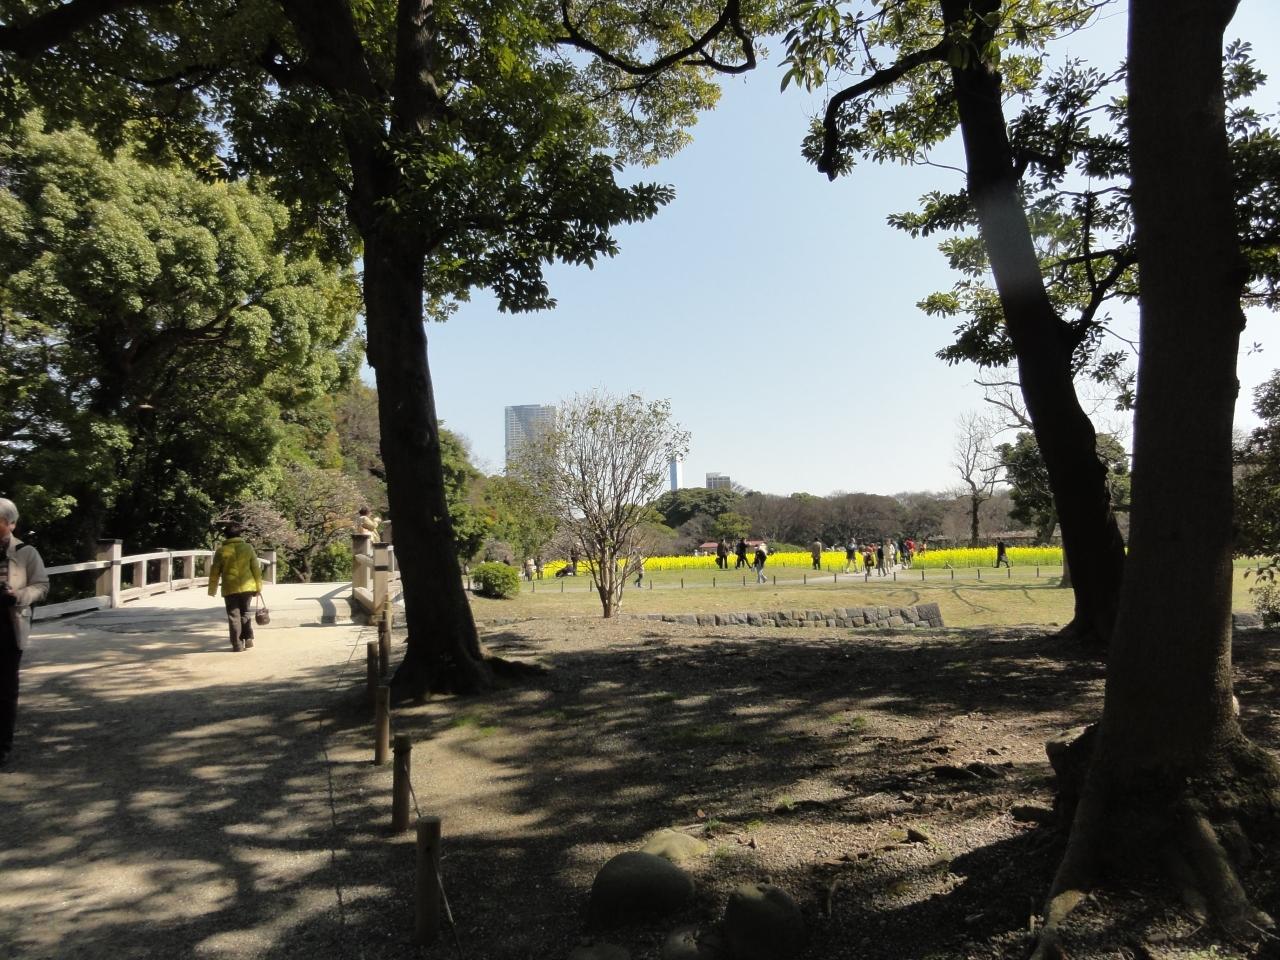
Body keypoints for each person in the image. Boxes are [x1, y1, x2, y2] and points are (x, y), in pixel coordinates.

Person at [0, 499, 48, 768]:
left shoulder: (26, 553)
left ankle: (2, 746)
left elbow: (41, 586)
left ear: (11, 524)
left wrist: (17, 596)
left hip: (8, 626)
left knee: (5, 689)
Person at [208, 522, 264, 652]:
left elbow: (215, 572)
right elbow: (255, 568)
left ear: (226, 535)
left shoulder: (221, 551)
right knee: (245, 613)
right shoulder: (248, 548)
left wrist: (212, 589)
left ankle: (237, 644)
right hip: (247, 587)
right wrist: (258, 586)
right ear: (239, 534)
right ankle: (248, 637)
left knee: (234, 616)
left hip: (230, 587)